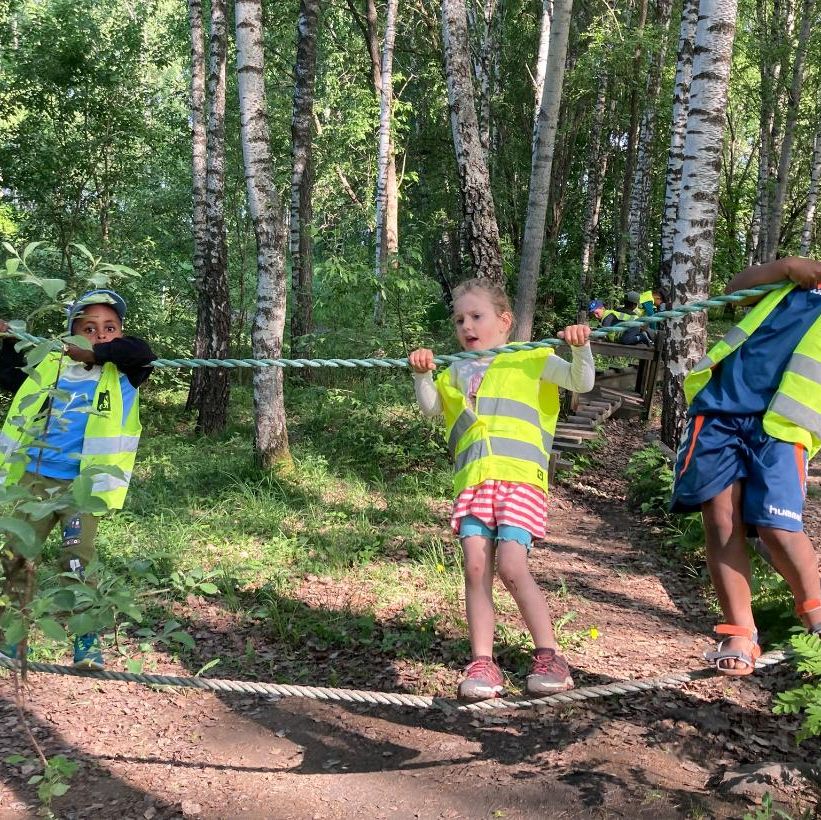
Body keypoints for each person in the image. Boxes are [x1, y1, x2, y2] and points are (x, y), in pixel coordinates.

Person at [409, 279, 595, 700]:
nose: (466, 326)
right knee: (475, 567)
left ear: (504, 321)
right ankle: (483, 663)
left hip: (519, 481)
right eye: (459, 319)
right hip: (474, 482)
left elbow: (580, 382)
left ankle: (549, 656)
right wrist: (423, 374)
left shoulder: (531, 356)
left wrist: (580, 346)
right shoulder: (456, 368)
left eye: (477, 316)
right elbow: (431, 407)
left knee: (511, 566)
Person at [670, 257, 821, 676]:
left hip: (784, 425)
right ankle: (740, 629)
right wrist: (787, 266)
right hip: (721, 410)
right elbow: (734, 287)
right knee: (720, 519)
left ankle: (815, 615)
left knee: (778, 526)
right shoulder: (797, 280)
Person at [0, 289, 156, 669]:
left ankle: (87, 641)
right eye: (88, 328)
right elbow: (7, 370)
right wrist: (7, 337)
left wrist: (97, 353)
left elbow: (142, 351)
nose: (100, 334)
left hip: (83, 489)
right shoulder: (48, 365)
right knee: (16, 558)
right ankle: (13, 640)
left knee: (77, 563)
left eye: (109, 327)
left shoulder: (126, 372)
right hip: (35, 480)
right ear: (69, 334)